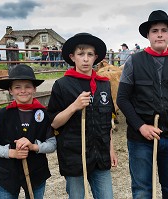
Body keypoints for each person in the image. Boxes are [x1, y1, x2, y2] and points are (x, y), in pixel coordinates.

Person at [117, 10, 168, 198]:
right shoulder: (133, 62)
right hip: (140, 139)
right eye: (154, 30)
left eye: (164, 30)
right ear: (148, 35)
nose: (159, 34)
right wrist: (141, 126)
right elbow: (122, 99)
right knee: (142, 191)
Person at [47, 33, 118, 198]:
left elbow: (107, 121)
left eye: (90, 54)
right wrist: (74, 106)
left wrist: (111, 149)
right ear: (72, 57)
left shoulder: (103, 84)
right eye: (81, 54)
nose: (85, 59)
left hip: (100, 153)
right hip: (74, 155)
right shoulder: (62, 85)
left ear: (96, 57)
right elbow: (54, 123)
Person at [0, 64, 56, 198]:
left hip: (36, 172)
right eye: (17, 87)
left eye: (28, 86)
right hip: (7, 173)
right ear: (10, 90)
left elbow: (52, 144)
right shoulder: (2, 115)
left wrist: (34, 146)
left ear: (34, 89)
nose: (23, 91)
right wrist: (12, 152)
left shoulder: (44, 115)